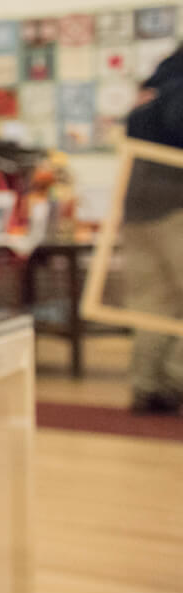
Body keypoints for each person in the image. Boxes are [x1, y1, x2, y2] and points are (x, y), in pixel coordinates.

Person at [124, 45, 183, 414]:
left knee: (152, 301)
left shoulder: (155, 85)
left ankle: (148, 384)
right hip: (175, 201)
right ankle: (175, 379)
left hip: (138, 204)